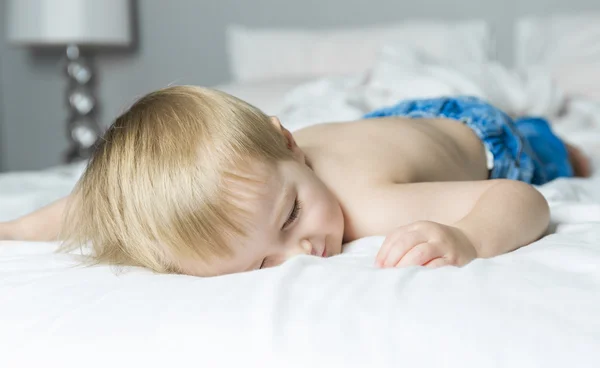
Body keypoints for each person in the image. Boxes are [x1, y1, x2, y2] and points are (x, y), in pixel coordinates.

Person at [0, 86, 591, 276]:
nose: (302, 251)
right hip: (392, 132)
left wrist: (468, 240)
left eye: (289, 217)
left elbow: (519, 197)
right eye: (262, 264)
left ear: (289, 143)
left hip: (484, 138)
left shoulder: (365, 201)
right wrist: (14, 228)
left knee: (557, 151)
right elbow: (100, 203)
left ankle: (559, 136)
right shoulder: (268, 172)